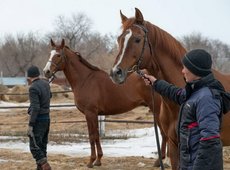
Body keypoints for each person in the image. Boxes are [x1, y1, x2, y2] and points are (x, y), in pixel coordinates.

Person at [143, 49, 224, 170]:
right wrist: (156, 83)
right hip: (189, 163)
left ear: (195, 70)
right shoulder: (195, 92)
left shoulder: (206, 98)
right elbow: (176, 93)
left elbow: (210, 141)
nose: (182, 71)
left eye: (185, 68)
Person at [27, 65, 52, 170]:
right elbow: (50, 95)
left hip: (38, 120)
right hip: (47, 119)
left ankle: (45, 166)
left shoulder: (33, 88)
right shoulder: (46, 84)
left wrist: (31, 124)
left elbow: (36, 108)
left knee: (34, 146)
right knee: (42, 146)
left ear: (29, 77)